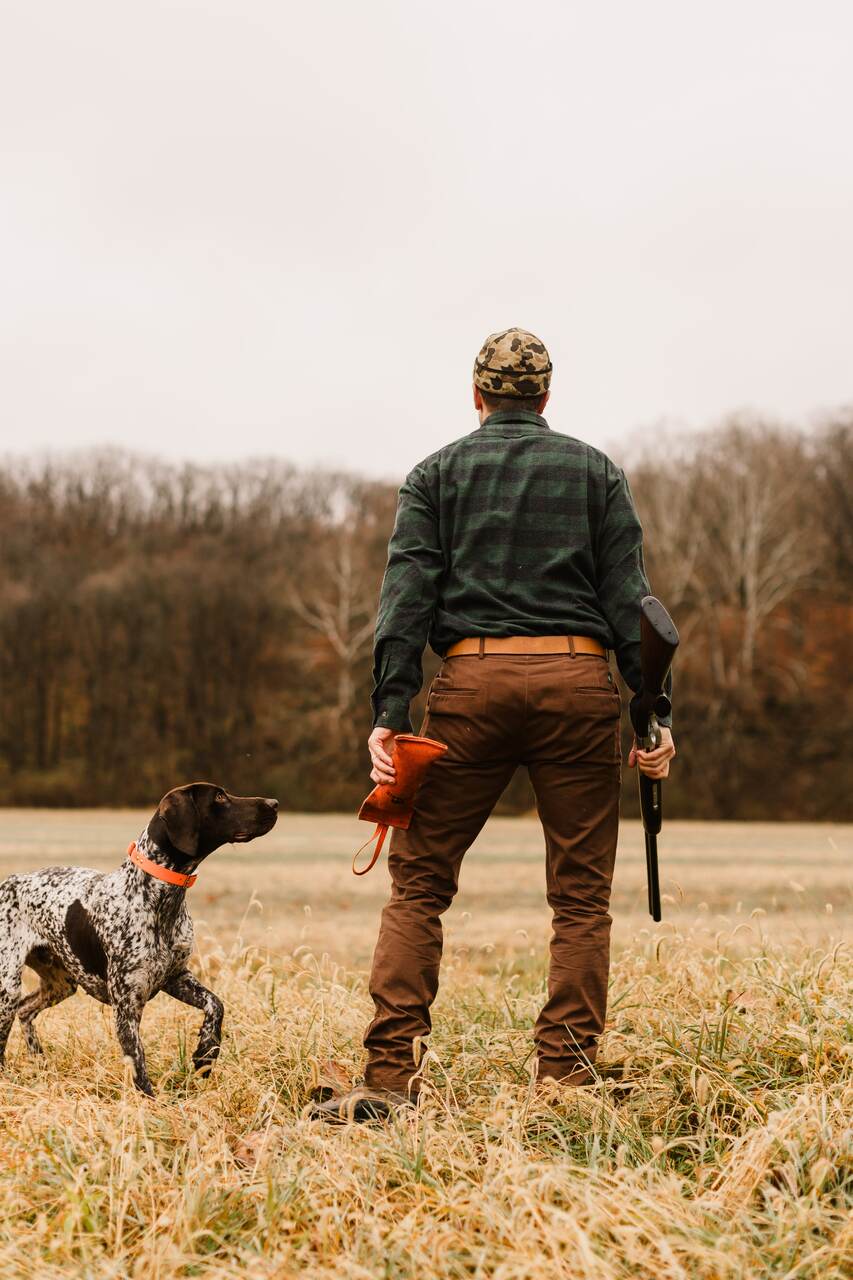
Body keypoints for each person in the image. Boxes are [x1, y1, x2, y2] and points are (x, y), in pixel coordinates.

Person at [311, 327, 676, 1123]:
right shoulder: (596, 472)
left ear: (477, 397)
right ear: (545, 398)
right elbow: (633, 605)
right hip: (580, 685)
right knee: (579, 899)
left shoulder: (434, 474)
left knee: (419, 884)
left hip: (469, 686)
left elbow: (404, 601)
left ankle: (387, 1079)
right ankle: (565, 1084)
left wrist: (388, 710)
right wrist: (651, 719)